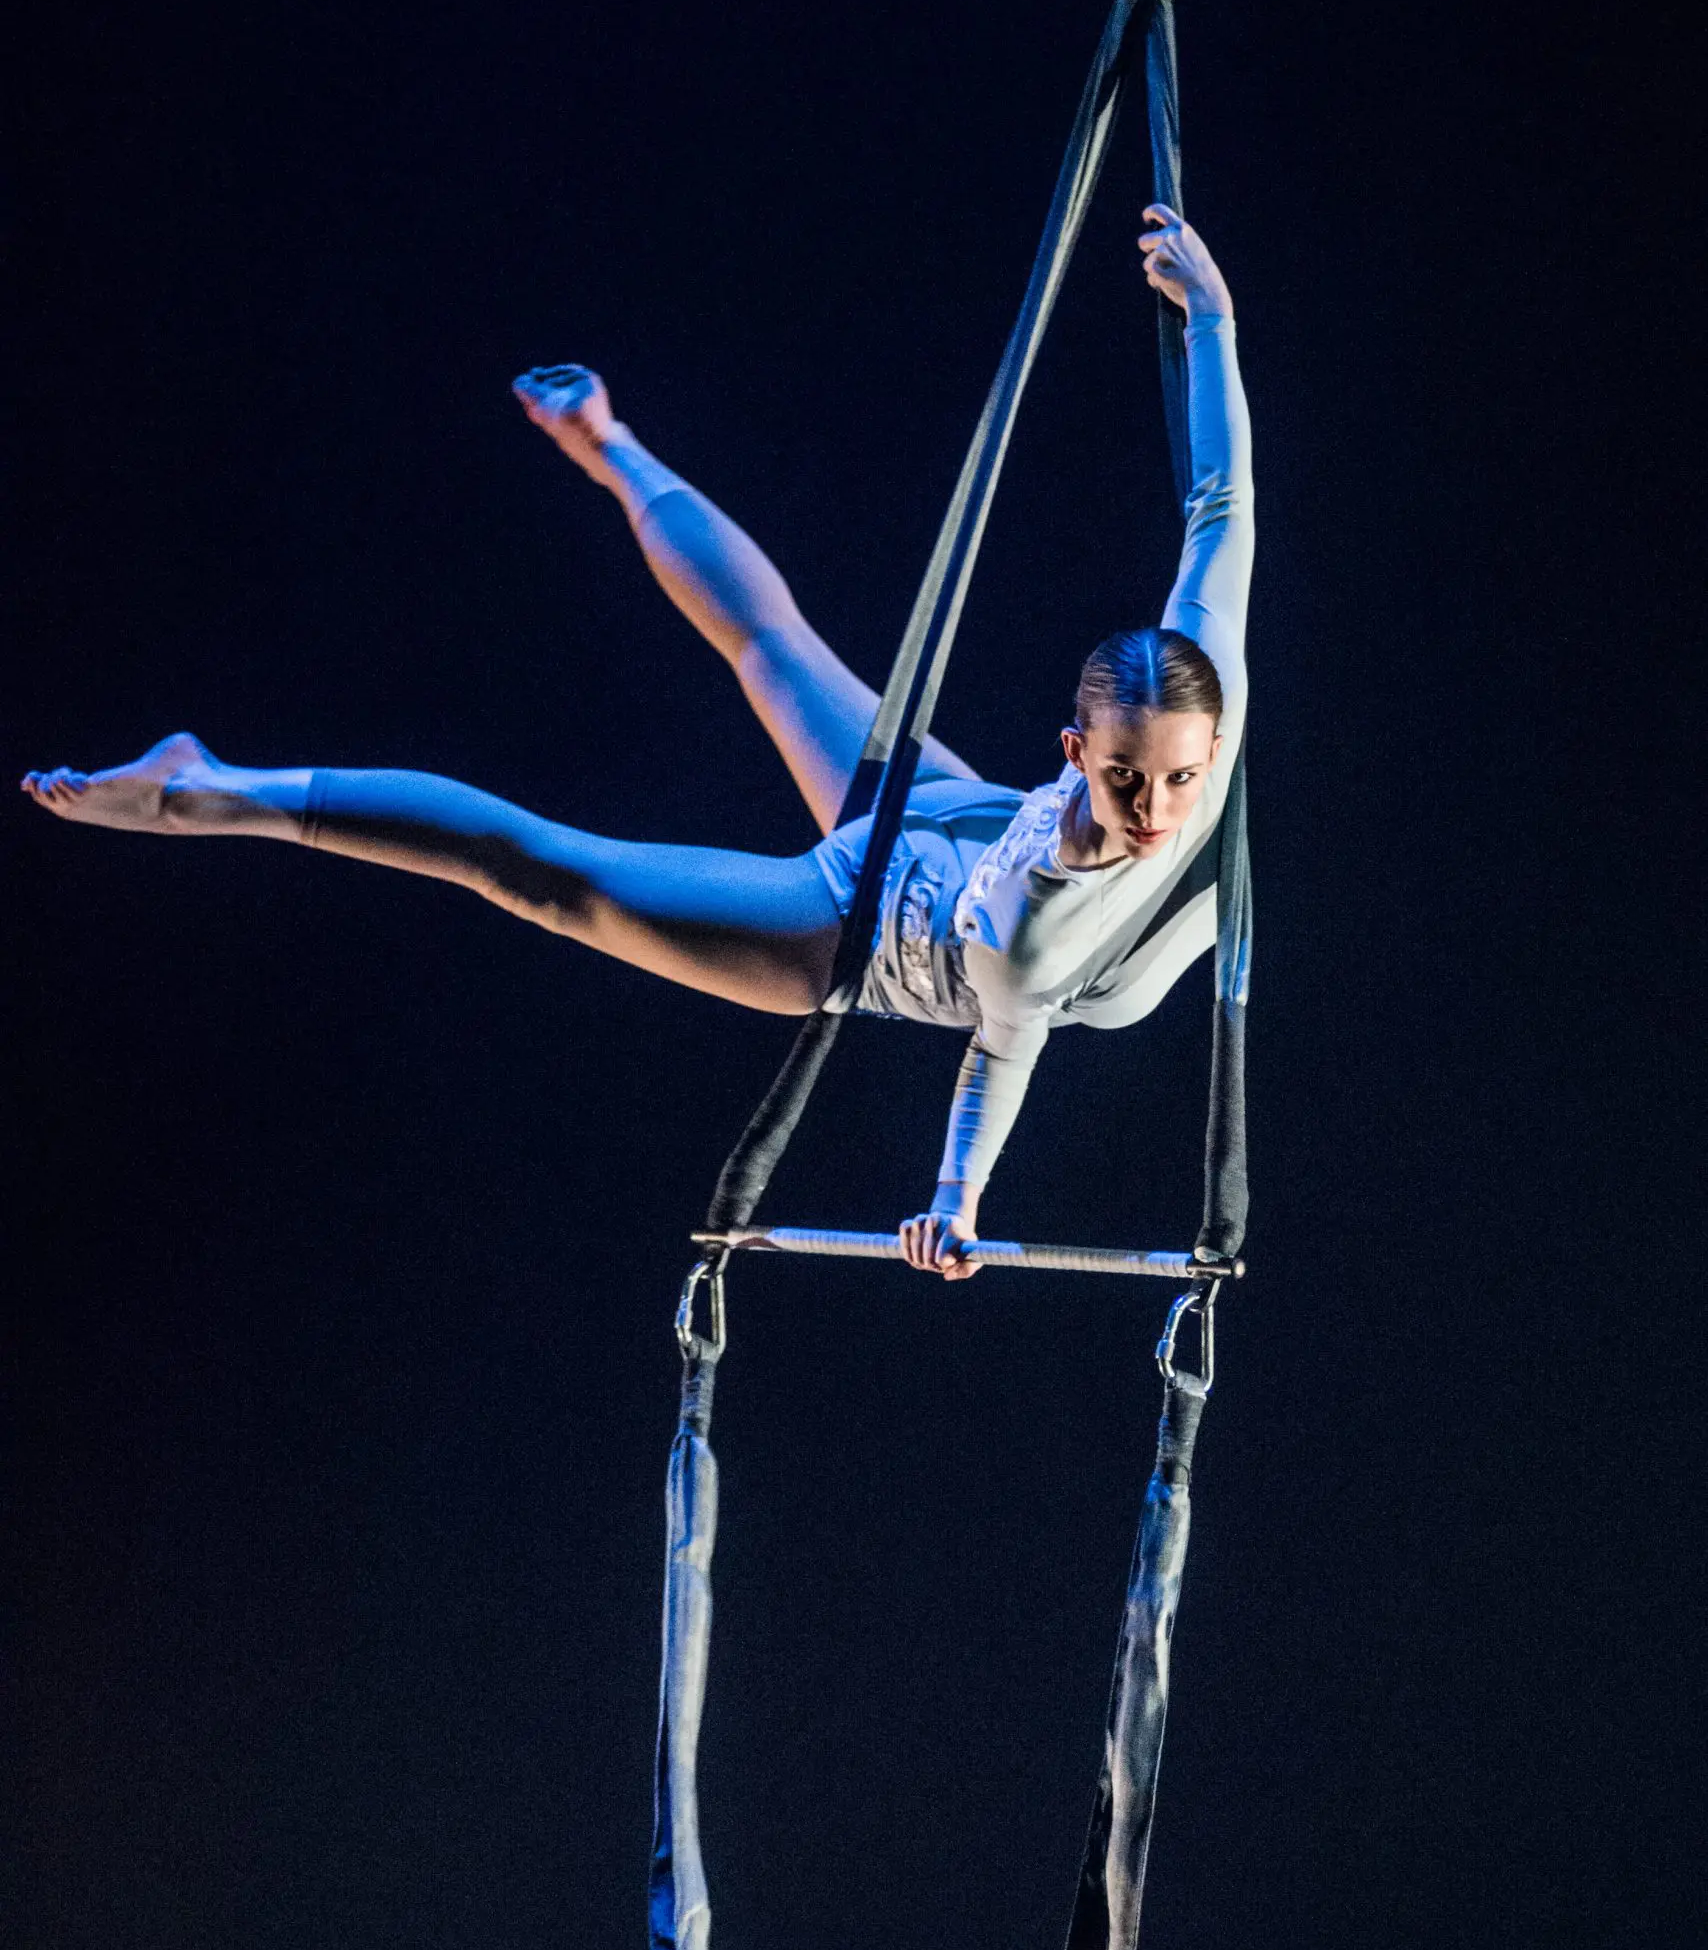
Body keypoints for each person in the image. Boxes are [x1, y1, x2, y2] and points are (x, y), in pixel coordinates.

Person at [23, 206, 1250, 1278]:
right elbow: (1001, 1050)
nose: (1154, 808)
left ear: (1213, 732)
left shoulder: (1205, 685)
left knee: (769, 647)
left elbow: (1220, 504)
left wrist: (1212, 324)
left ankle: (608, 443)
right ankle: (211, 791)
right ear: (1074, 750)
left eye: (1180, 780)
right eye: (1124, 777)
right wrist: (953, 1203)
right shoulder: (1029, 926)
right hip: (870, 926)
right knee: (548, 875)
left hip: (950, 828)